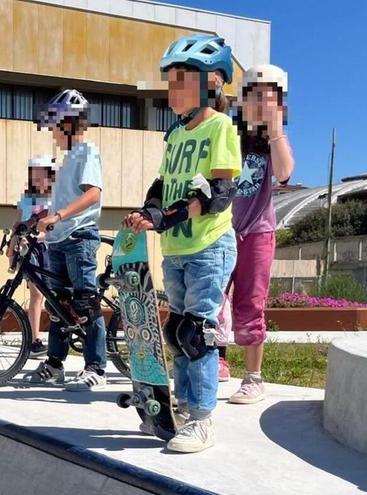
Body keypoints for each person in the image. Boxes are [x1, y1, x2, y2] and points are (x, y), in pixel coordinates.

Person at [123, 33, 240, 453]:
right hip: (175, 249)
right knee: (175, 332)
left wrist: (168, 217)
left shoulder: (219, 127)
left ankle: (203, 420)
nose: (172, 91)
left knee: (197, 333)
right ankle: (185, 409)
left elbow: (220, 192)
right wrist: (147, 212)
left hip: (209, 245)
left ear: (211, 82)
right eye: (169, 82)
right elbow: (162, 185)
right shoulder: (174, 135)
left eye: (181, 82)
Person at [219, 64, 295, 402]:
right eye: (254, 95)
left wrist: (275, 129)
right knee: (213, 299)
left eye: (269, 97)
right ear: (242, 98)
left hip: (257, 233)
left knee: (250, 304)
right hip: (220, 232)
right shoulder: (228, 134)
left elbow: (284, 173)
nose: (261, 103)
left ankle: (253, 378)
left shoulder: (272, 142)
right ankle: (218, 360)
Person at [25, 89, 108, 392]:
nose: (52, 132)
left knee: (85, 304)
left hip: (79, 236)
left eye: (55, 125)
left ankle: (96, 367)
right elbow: (59, 203)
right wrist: (34, 220)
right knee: (57, 306)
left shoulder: (86, 152)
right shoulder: (66, 161)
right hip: (58, 240)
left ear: (70, 123)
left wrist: (58, 216)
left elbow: (93, 193)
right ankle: (55, 365)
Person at [9, 156, 56, 357]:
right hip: (30, 250)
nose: (38, 179)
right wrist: (13, 249)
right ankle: (34, 339)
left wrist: (39, 236)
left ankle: (52, 337)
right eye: (35, 175)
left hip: (50, 249)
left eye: (42, 175)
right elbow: (17, 226)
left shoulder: (55, 199)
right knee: (36, 294)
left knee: (51, 294)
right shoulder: (26, 199)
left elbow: (55, 228)